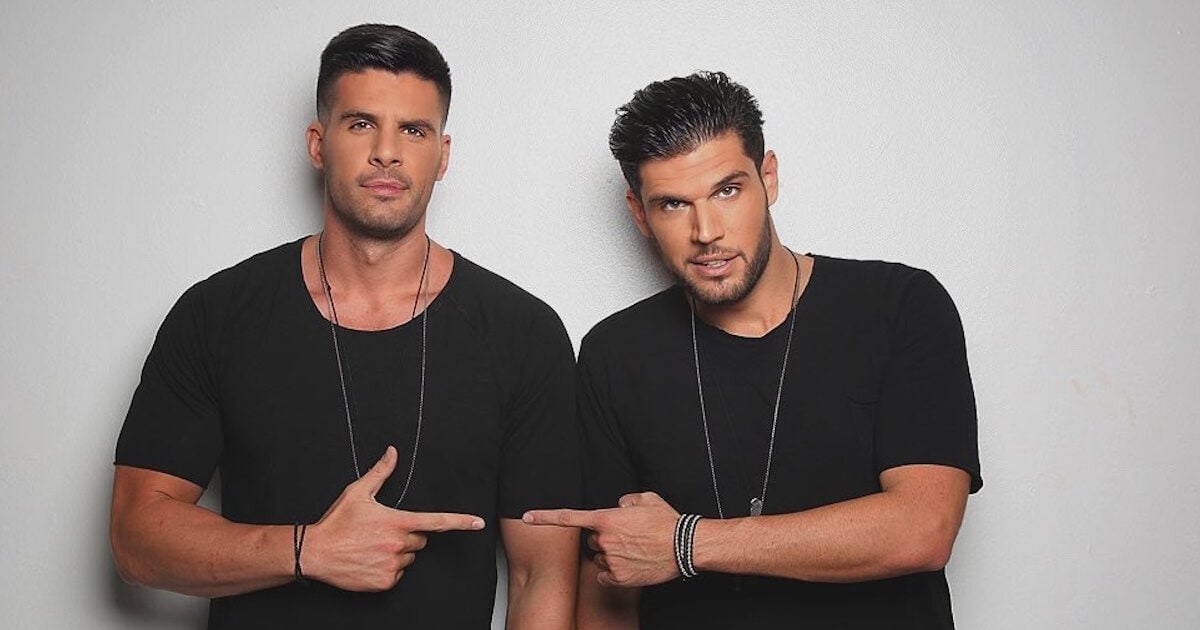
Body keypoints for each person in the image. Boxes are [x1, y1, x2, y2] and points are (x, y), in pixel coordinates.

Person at [109, 24, 579, 629]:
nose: (387, 151)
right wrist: (308, 551)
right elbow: (135, 537)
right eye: (361, 124)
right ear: (317, 143)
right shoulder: (217, 314)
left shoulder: (523, 333)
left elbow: (542, 576)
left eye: (414, 130)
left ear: (442, 156)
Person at [524, 71, 981, 628]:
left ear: (768, 178)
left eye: (727, 191)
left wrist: (688, 544)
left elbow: (924, 529)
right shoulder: (614, 354)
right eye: (673, 204)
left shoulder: (899, 306)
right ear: (640, 213)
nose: (706, 231)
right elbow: (611, 580)